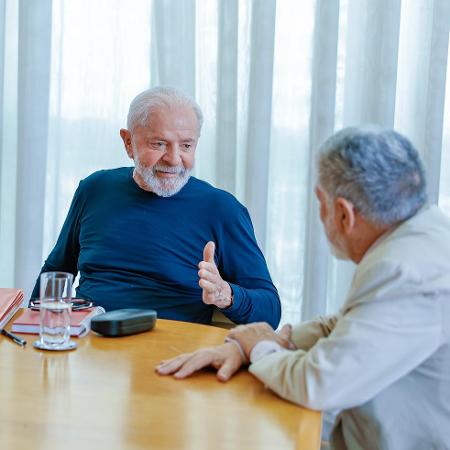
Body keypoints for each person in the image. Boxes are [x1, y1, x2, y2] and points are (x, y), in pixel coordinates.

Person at [157, 127, 450, 449]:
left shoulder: (404, 270)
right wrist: (257, 343)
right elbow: (346, 323)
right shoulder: (424, 233)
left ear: (343, 213)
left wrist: (258, 349)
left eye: (320, 204)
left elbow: (317, 383)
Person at [31, 86, 281, 327]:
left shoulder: (222, 209)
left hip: (169, 355)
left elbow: (270, 310)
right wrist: (32, 333)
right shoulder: (93, 189)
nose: (174, 159)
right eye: (159, 144)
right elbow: (56, 272)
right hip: (89, 344)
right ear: (128, 142)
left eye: (186, 145)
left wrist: (227, 295)